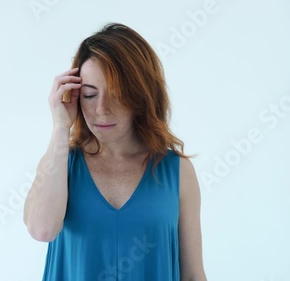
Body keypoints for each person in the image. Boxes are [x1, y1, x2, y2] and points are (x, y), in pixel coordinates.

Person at [23, 23, 207, 281]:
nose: (101, 109)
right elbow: (42, 230)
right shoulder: (61, 162)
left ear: (141, 96)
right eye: (89, 95)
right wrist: (61, 127)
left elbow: (193, 275)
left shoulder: (177, 171)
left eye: (116, 94)